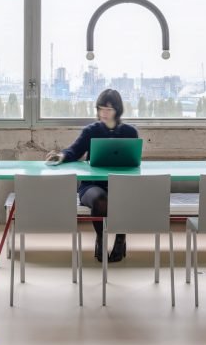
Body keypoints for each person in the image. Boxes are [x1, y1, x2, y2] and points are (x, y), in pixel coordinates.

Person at [45, 89, 138, 263]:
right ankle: (101, 239)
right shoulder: (91, 130)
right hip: (92, 186)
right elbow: (74, 150)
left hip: (121, 184)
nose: (104, 113)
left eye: (108, 109)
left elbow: (134, 160)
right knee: (101, 200)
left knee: (125, 196)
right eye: (101, 108)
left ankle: (120, 239)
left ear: (118, 110)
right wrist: (61, 156)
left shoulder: (130, 132)